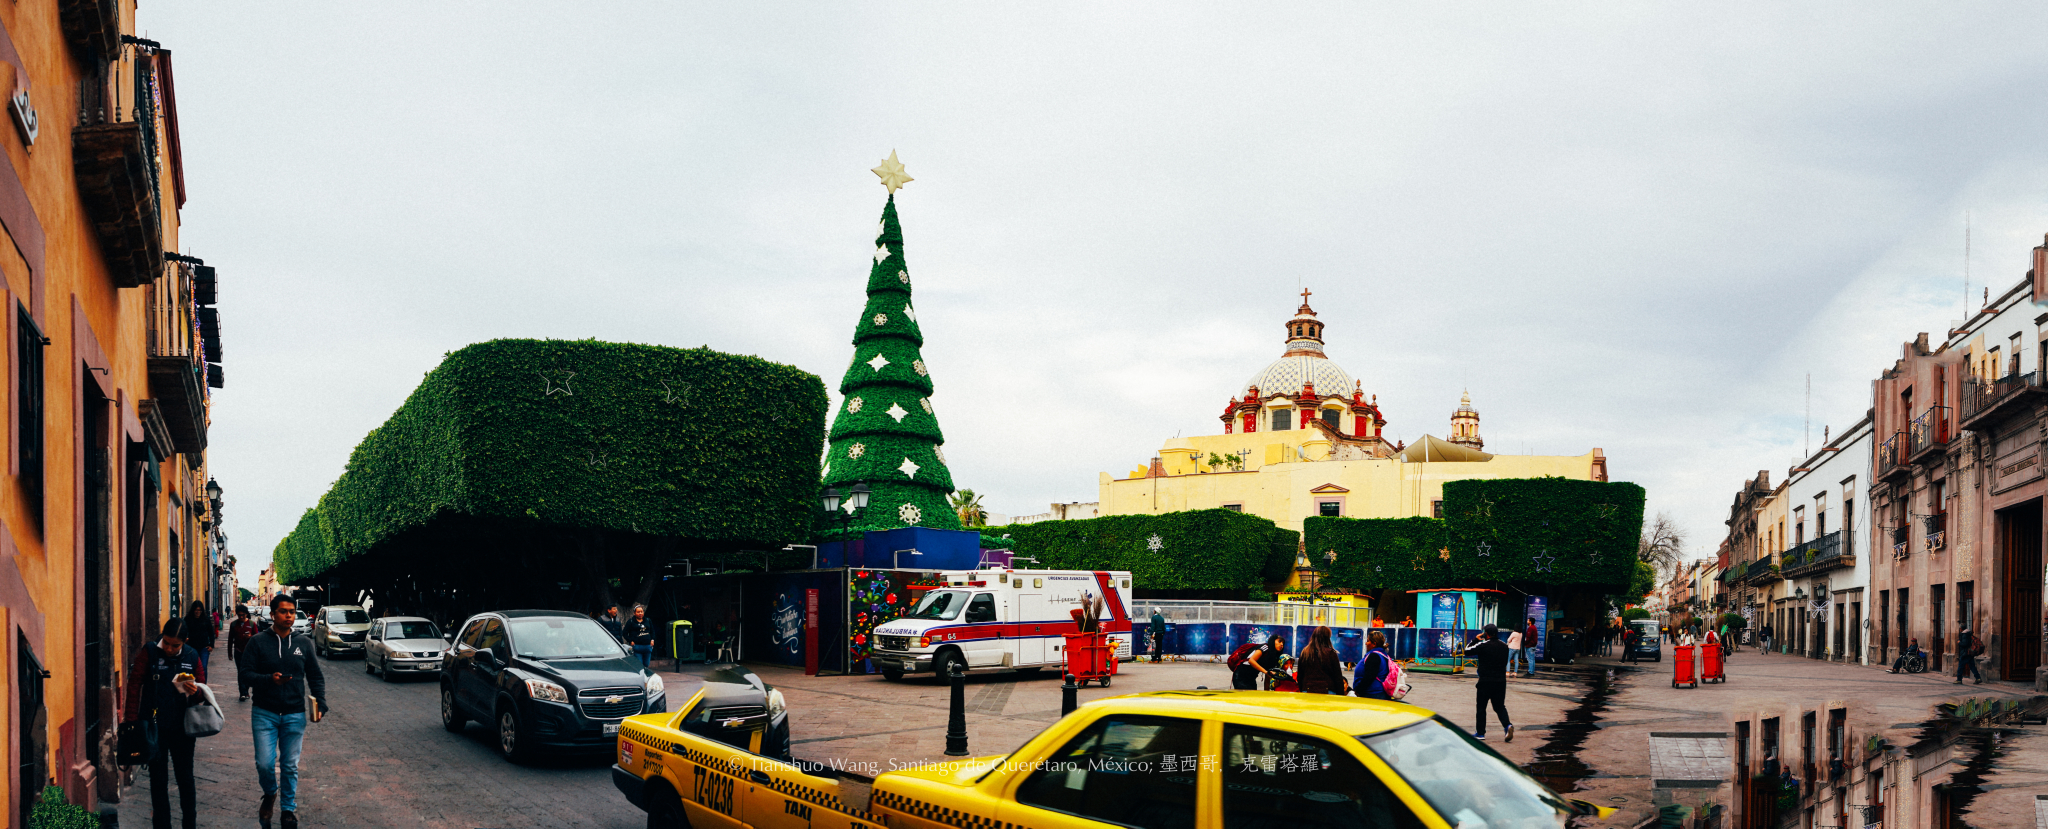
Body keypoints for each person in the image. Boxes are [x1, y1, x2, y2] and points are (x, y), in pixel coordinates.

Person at [239, 595, 329, 829]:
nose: (288, 615)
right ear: (272, 615)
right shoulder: (258, 642)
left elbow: (315, 676)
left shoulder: (304, 643)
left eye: (291, 611)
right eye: (283, 611)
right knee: (265, 764)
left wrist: (321, 702)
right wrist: (270, 680)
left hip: (294, 713)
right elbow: (245, 675)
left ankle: (288, 810)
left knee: (290, 765)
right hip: (264, 713)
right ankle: (270, 793)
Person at [124, 617, 206, 829]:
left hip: (183, 727)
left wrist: (195, 691)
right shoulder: (149, 652)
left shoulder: (192, 655)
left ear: (185, 641)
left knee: (185, 778)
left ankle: (190, 823)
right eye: (166, 643)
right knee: (158, 780)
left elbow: (202, 691)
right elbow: (134, 686)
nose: (169, 648)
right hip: (153, 727)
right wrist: (132, 722)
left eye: (175, 645)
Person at [1471, 624, 1513, 742]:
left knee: (1481, 707)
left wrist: (1475, 640)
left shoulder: (1483, 645)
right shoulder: (1505, 646)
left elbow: (1467, 651)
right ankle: (1507, 725)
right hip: (1500, 681)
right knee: (1499, 706)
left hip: (1485, 681)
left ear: (1486, 634)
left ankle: (1480, 733)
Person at [1295, 626, 1347, 695]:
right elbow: (1338, 677)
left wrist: (1303, 689)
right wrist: (1340, 695)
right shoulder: (1331, 653)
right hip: (1328, 691)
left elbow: (1300, 676)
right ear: (1327, 638)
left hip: (1307, 690)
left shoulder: (1305, 652)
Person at [228, 607, 261, 701]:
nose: (241, 617)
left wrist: (250, 636)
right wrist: (229, 653)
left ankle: (246, 690)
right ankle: (243, 692)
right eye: (239, 615)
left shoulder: (251, 624)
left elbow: (257, 637)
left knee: (248, 671)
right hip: (238, 651)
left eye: (243, 615)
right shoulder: (234, 624)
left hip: (249, 652)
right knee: (240, 671)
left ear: (246, 614)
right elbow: (230, 639)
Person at [1354, 630, 1394, 699]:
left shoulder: (1374, 656)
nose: (1366, 643)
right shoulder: (1383, 654)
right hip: (1377, 692)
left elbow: (1369, 676)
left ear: (1374, 644)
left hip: (1372, 694)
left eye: (1368, 641)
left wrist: (1357, 690)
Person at [183, 601, 217, 683]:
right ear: (193, 610)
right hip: (191, 647)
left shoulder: (205, 620)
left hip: (203, 647)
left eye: (199, 610)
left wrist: (211, 645)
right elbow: (184, 631)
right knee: (190, 667)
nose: (198, 612)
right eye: (196, 610)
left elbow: (211, 633)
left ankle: (203, 685)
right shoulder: (187, 619)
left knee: (203, 667)